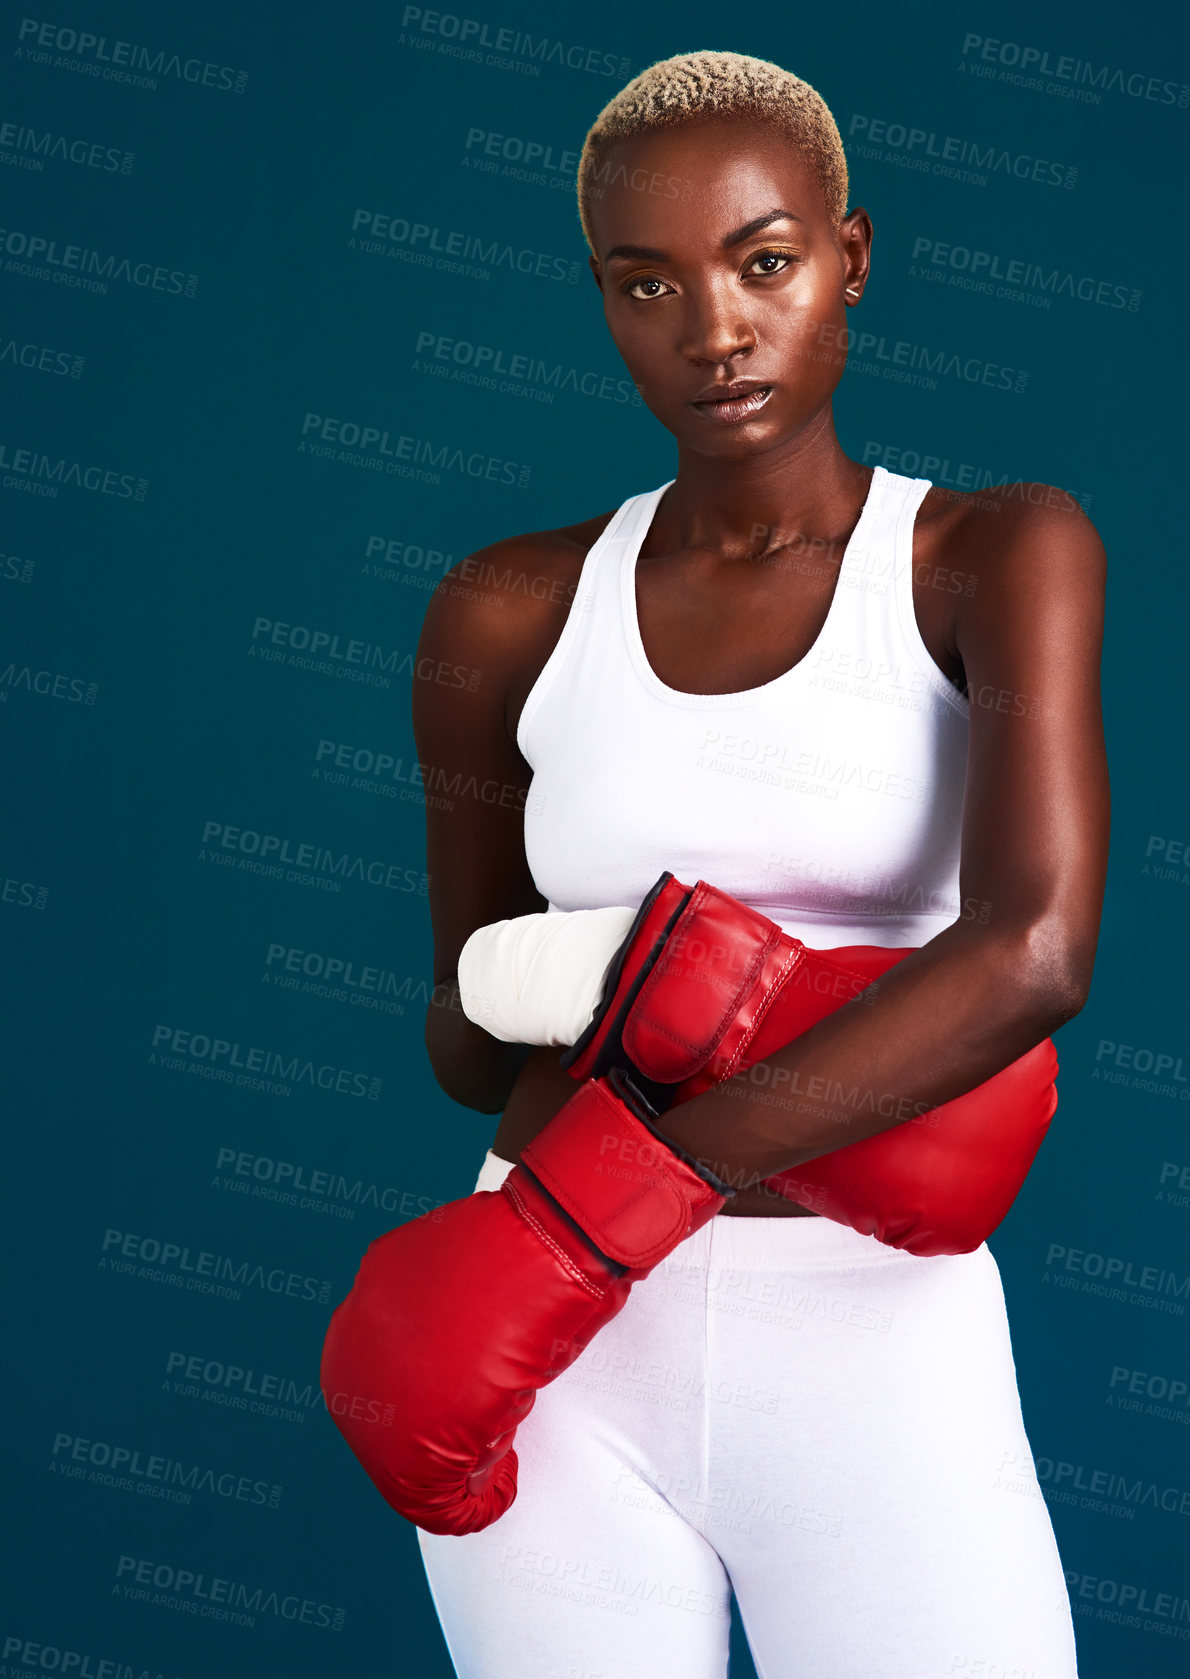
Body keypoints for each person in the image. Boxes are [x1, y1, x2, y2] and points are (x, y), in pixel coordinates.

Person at [409, 48, 1109, 1679]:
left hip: (848, 1331)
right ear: (600, 300)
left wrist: (591, 1220)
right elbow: (457, 1037)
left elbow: (1032, 952)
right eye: (644, 284)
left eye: (762, 262)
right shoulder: (507, 607)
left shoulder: (993, 556)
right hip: (563, 1353)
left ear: (847, 258)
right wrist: (576, 976)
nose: (711, 329)